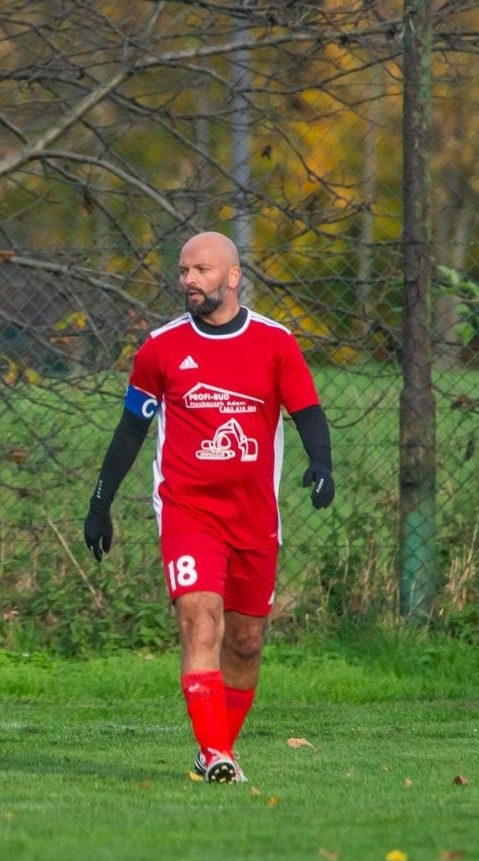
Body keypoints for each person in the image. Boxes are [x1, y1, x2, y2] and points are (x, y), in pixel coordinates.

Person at [83, 231, 334, 782]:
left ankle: (214, 750)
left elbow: (309, 412)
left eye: (200, 270)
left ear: (232, 276)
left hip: (254, 516)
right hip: (187, 510)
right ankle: (218, 755)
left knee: (245, 644)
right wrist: (100, 504)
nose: (189, 281)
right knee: (201, 623)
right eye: (183, 271)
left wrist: (322, 464)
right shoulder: (160, 348)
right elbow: (130, 430)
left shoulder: (275, 343)